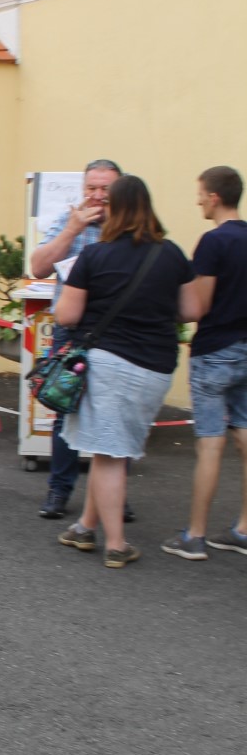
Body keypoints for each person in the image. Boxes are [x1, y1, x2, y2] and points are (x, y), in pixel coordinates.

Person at [54, 175, 194, 569]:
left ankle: (115, 544)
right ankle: (84, 526)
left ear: (113, 209)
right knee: (108, 447)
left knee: (110, 453)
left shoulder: (96, 256)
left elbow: (66, 314)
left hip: (108, 362)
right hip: (156, 367)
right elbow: (190, 310)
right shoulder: (171, 254)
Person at [30, 159, 126, 520]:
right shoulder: (68, 223)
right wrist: (71, 231)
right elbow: (38, 266)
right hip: (71, 335)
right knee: (62, 411)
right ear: (83, 190)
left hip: (116, 336)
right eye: (92, 188)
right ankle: (59, 490)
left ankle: (117, 498)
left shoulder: (129, 228)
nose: (98, 196)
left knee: (114, 417)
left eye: (106, 189)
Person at [162, 165, 247, 560]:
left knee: (210, 445)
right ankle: (243, 529)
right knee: (245, 437)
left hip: (215, 351)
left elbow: (199, 306)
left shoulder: (213, 243)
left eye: (200, 193)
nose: (197, 200)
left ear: (214, 197)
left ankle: (195, 535)